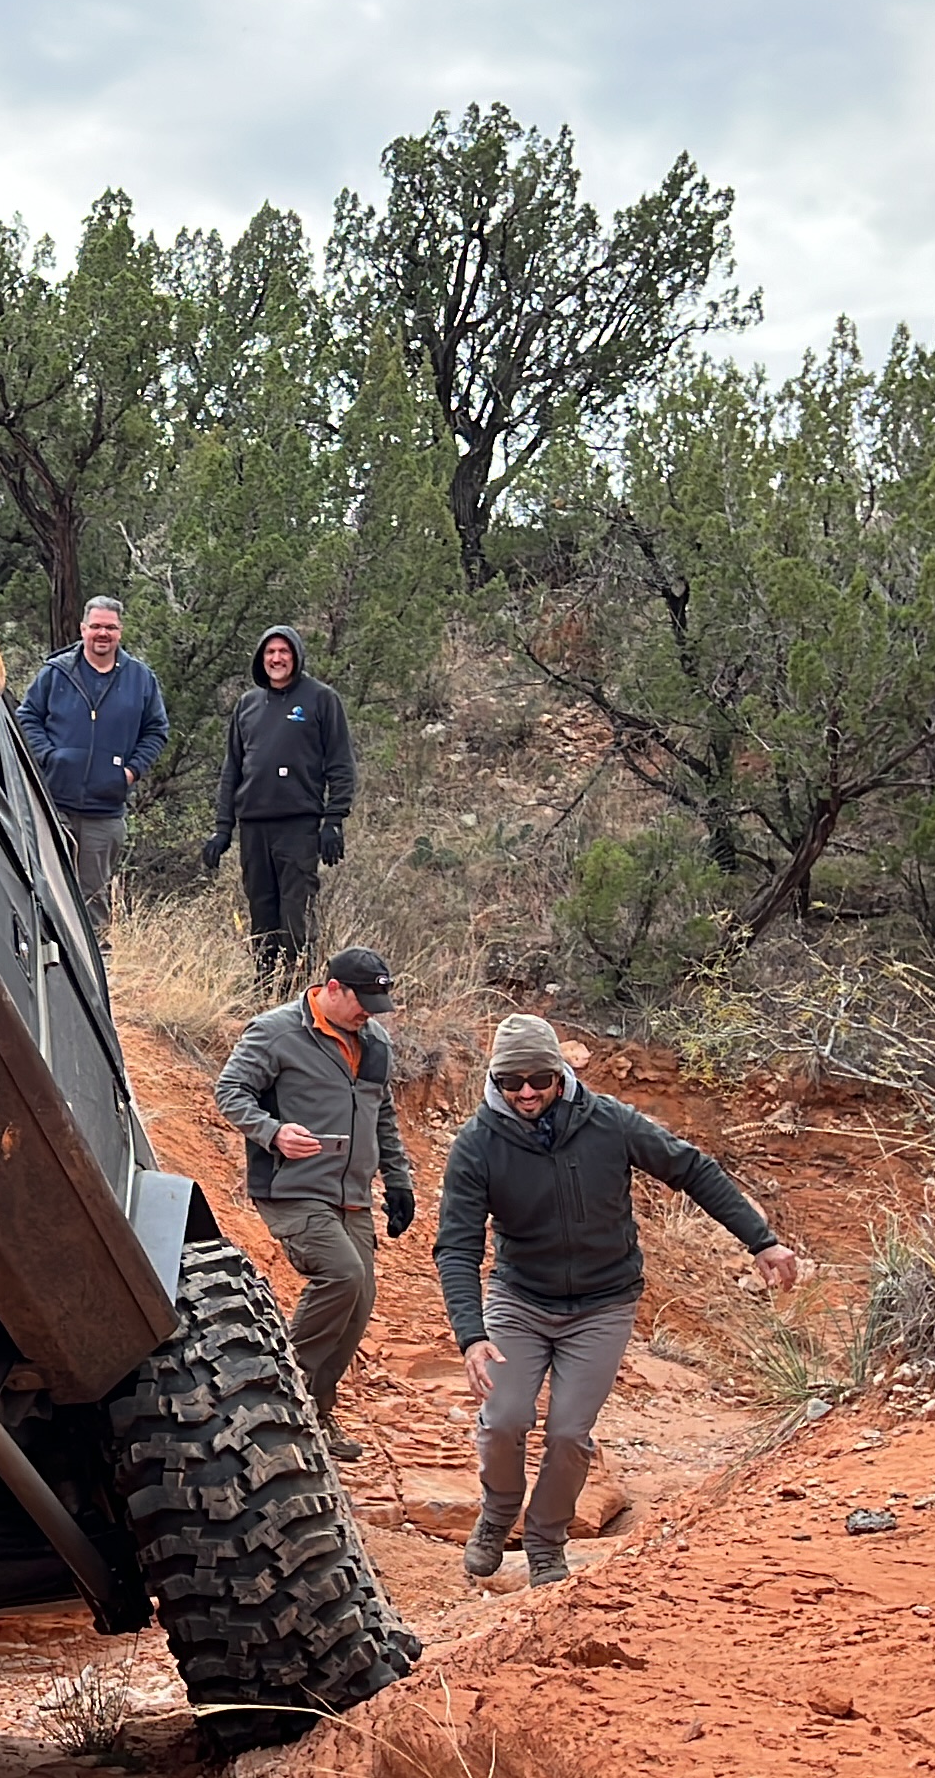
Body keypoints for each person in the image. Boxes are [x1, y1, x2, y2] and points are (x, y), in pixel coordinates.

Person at [433, 1013, 803, 1587]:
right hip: (519, 1299)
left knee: (567, 1433)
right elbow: (456, 1246)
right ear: (495, 1080)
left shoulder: (610, 1121)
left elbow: (692, 1170)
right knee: (505, 1418)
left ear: (558, 1072)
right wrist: (472, 1334)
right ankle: (498, 1512)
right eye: (511, 1081)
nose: (526, 1091)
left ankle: (545, 1540)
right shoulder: (477, 1145)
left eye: (538, 1077)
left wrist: (762, 1241)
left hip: (604, 1303)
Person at [211, 945, 418, 1461]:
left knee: (360, 1298)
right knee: (343, 1276)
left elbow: (382, 1115)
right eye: (363, 1000)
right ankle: (272, 1399)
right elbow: (231, 1091)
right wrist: (274, 1132)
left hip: (352, 1196)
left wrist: (399, 1182)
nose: (370, 1012)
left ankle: (314, 1414)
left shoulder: (374, 1042)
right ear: (332, 989)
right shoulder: (275, 1031)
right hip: (291, 1187)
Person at [198, 623, 355, 980]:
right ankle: (266, 987)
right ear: (260, 658)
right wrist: (223, 829)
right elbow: (231, 770)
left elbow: (341, 764)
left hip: (298, 826)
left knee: (296, 913)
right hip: (254, 825)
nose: (277, 658)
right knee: (262, 911)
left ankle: (298, 989)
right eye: (270, 652)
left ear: (296, 655)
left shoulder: (320, 699)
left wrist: (334, 820)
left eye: (284, 651)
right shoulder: (247, 705)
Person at [15, 595, 167, 936]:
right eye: (96, 626)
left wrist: (129, 773)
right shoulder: (56, 673)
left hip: (105, 811)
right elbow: (26, 717)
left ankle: (96, 976)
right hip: (54, 804)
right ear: (83, 629)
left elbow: (157, 730)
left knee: (93, 898)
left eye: (110, 627)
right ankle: (43, 966)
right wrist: (50, 756)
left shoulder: (140, 679)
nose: (103, 633)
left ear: (120, 632)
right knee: (47, 889)